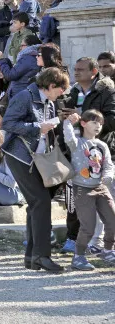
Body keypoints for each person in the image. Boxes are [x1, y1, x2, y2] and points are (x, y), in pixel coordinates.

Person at [2, 67, 70, 273]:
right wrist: (36, 127)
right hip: (20, 157)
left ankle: (32, 256)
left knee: (36, 204)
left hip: (35, 158)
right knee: (40, 202)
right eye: (61, 89)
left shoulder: (47, 99)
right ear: (50, 86)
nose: (62, 93)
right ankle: (41, 256)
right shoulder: (25, 96)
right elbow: (8, 123)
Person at [63, 110, 115, 270]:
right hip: (82, 189)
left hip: (101, 188)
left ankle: (107, 250)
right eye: (94, 122)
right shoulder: (76, 143)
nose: (98, 126)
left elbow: (108, 165)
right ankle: (78, 257)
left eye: (100, 123)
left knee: (112, 220)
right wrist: (68, 122)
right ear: (84, 123)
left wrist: (108, 176)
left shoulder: (102, 145)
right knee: (88, 226)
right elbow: (68, 136)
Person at [0, 34, 42, 101]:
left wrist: (1, 59)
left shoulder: (28, 58)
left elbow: (10, 75)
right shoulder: (30, 57)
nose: (20, 48)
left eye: (22, 45)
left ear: (30, 46)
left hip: (20, 95)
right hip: (21, 93)